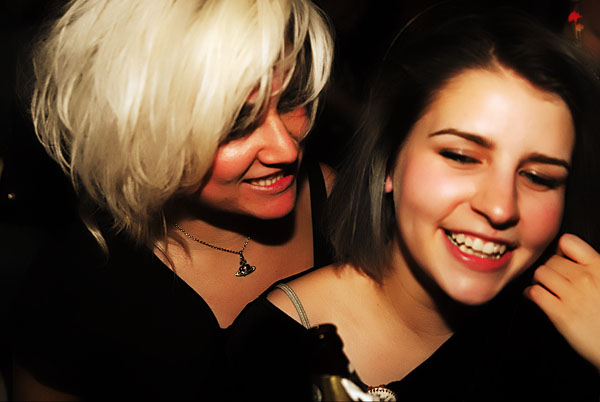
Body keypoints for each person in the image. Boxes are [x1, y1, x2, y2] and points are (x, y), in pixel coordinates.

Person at [226, 4, 600, 401]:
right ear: (390, 161)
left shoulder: (568, 329)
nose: (501, 208)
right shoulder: (270, 355)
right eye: (461, 157)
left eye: (539, 177)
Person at [11, 0, 334, 400]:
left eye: (289, 100)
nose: (286, 149)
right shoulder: (75, 283)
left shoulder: (343, 207)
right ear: (142, 134)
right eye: (235, 122)